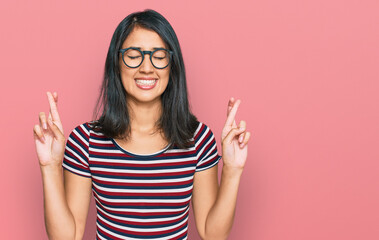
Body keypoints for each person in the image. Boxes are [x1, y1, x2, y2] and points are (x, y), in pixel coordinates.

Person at [33, 9, 251, 240]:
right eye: (133, 54)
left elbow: (213, 234)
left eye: (158, 56)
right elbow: (68, 237)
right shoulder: (86, 141)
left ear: (172, 65)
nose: (147, 67)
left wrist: (232, 170)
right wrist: (50, 167)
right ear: (116, 63)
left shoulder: (197, 139)